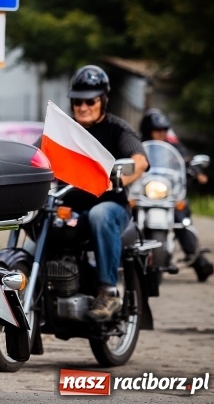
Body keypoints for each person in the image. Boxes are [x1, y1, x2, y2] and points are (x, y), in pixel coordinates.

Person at [57, 65, 148, 322]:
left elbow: (139, 161)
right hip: (70, 207)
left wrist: (116, 181)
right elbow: (34, 157)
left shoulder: (117, 129)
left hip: (111, 206)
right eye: (77, 101)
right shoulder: (63, 132)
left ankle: (108, 291)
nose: (83, 106)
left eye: (90, 101)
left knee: (100, 213)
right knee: (43, 217)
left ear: (103, 100)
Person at [139, 108, 214, 282]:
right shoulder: (136, 145)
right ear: (147, 131)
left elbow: (186, 160)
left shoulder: (174, 147)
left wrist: (195, 170)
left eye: (164, 130)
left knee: (181, 220)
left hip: (167, 195)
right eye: (157, 130)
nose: (161, 134)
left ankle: (198, 262)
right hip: (143, 194)